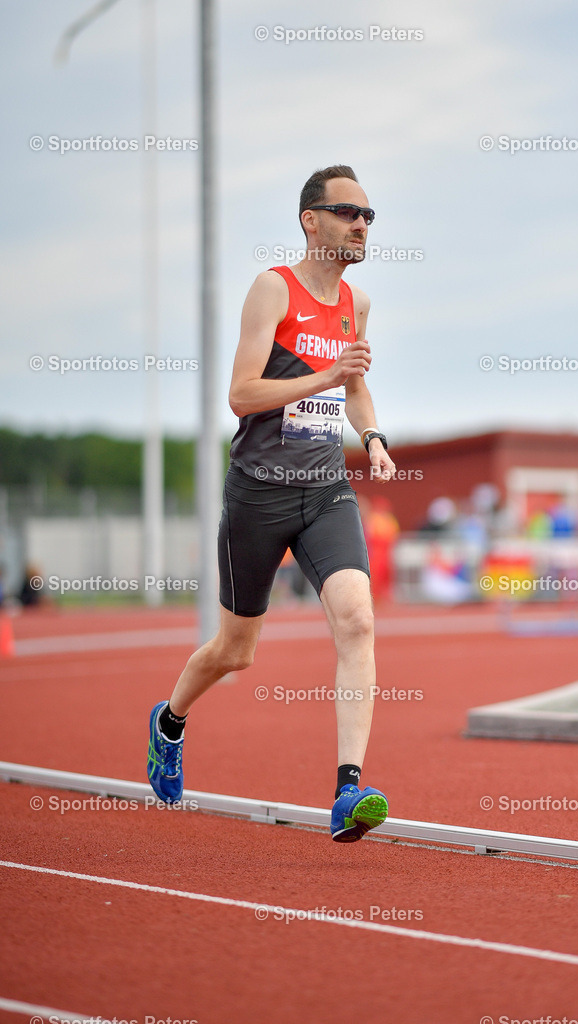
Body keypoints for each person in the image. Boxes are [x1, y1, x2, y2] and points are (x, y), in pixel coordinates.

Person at [147, 165, 397, 843]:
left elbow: (354, 389)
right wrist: (326, 374)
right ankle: (170, 720)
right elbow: (242, 394)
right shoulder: (273, 289)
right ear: (311, 220)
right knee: (236, 651)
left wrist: (372, 436)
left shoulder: (357, 304)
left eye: (369, 216)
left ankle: (348, 791)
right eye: (348, 212)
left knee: (357, 620)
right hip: (259, 493)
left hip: (325, 490)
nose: (361, 224)